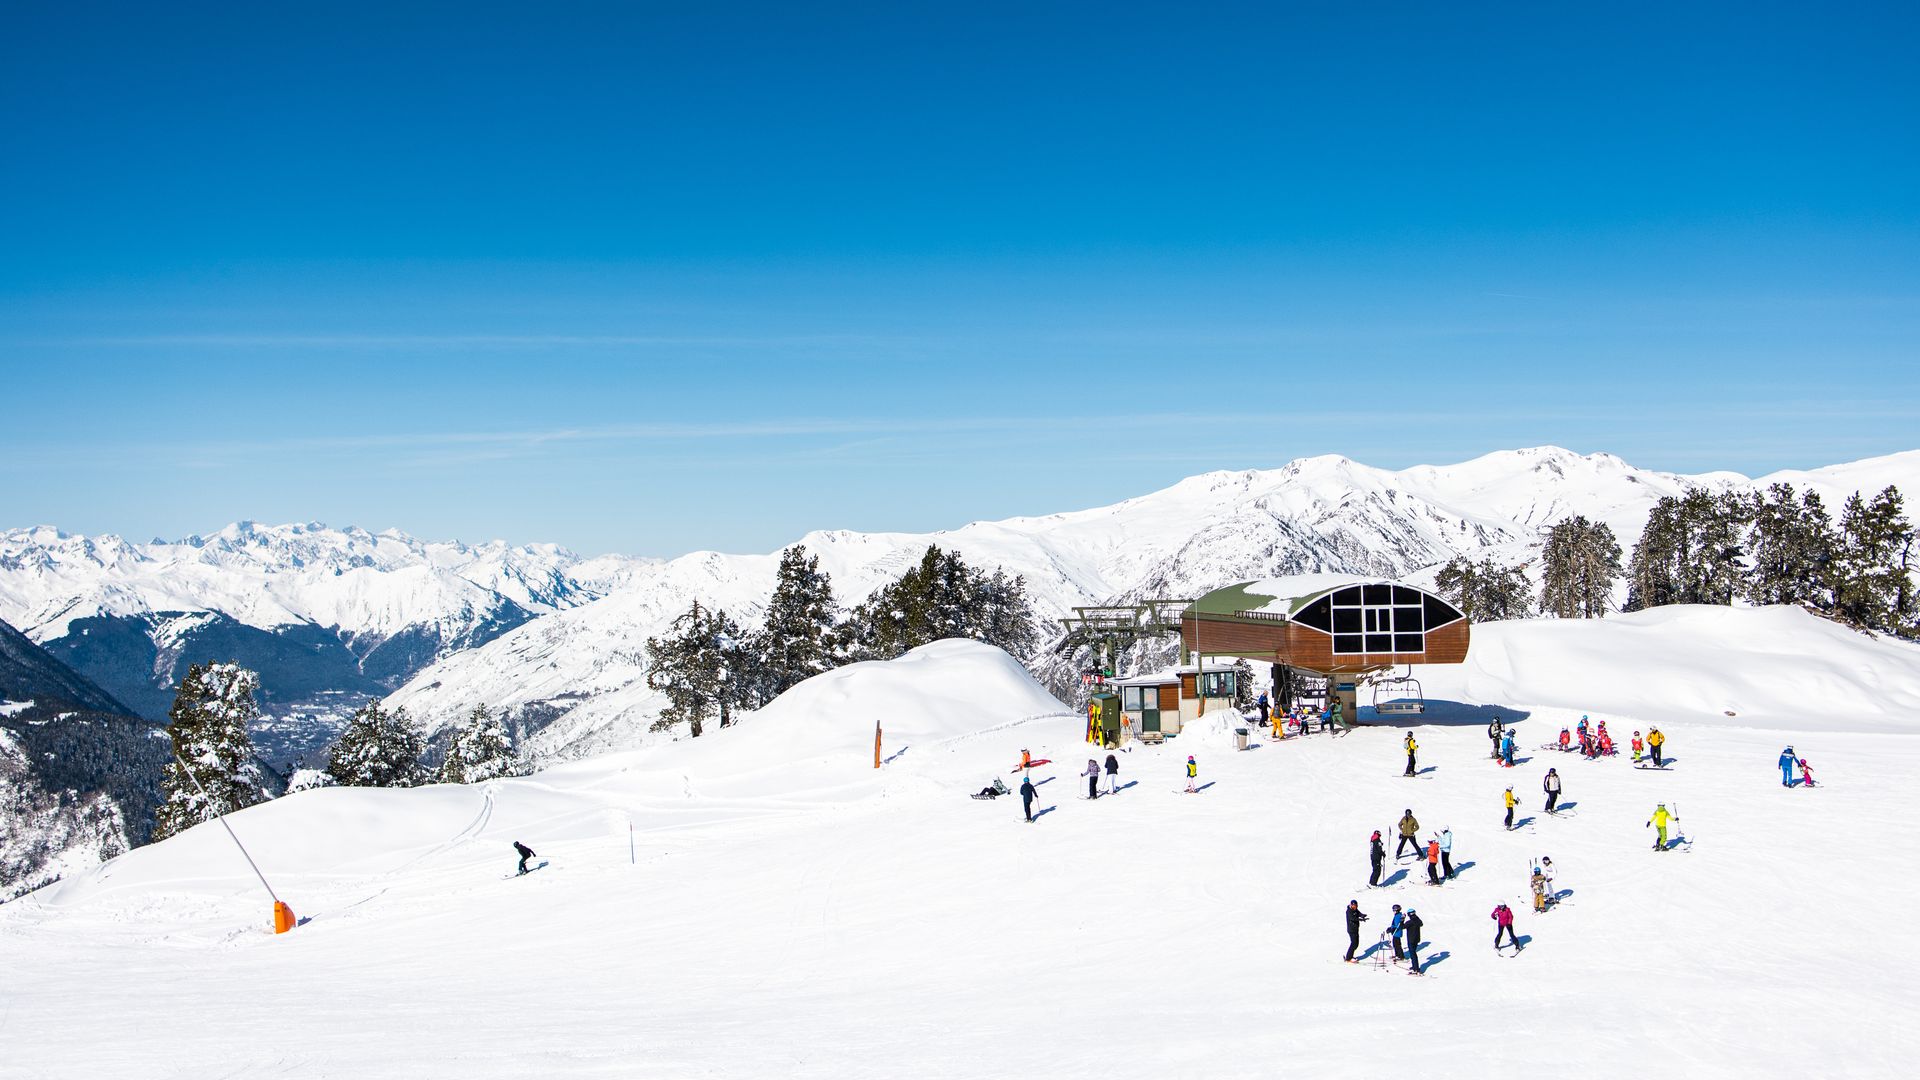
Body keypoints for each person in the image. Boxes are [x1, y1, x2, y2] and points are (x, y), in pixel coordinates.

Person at [1404, 908, 1425, 974]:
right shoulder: (1417, 920)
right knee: (1413, 953)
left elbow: (1402, 927)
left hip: (1411, 940)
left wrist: (1402, 920)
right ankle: (1414, 967)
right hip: (1416, 939)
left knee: (1413, 954)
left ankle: (1416, 969)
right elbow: (1421, 924)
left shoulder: (1410, 922)